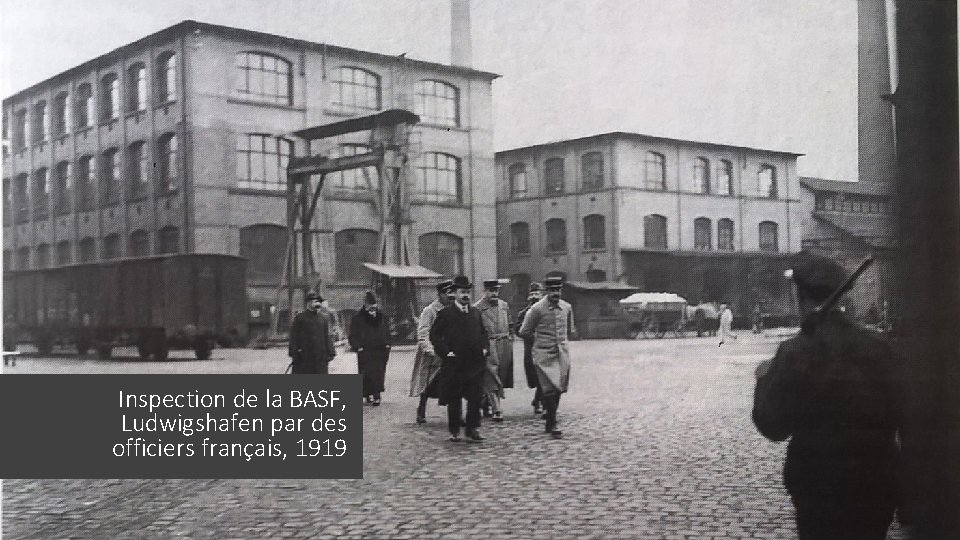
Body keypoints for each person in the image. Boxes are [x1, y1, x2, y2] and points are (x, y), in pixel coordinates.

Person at [752, 251, 904, 540]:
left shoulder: (795, 352)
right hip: (875, 486)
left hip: (818, 489)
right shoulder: (880, 347)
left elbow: (772, 426)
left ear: (801, 297)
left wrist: (763, 380)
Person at [430, 275, 489, 443]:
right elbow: (435, 335)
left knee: (475, 397)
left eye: (468, 293)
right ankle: (454, 430)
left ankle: (473, 429)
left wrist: (485, 349)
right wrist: (445, 352)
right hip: (455, 364)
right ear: (454, 293)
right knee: (454, 398)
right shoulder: (445, 314)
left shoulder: (475, 313)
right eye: (462, 292)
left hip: (475, 363)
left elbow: (484, 333)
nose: (466, 296)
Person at [518, 275, 575, 439]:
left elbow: (570, 330)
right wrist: (539, 341)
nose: (555, 293)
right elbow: (524, 331)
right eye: (552, 290)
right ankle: (553, 421)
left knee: (559, 388)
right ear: (547, 291)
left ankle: (550, 419)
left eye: (558, 289)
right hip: (543, 354)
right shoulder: (536, 309)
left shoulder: (566, 308)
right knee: (549, 388)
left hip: (562, 353)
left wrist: (563, 343)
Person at [410, 279, 454, 423]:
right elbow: (423, 333)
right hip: (431, 354)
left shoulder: (453, 310)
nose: (451, 296)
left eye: (453, 293)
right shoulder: (430, 311)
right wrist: (429, 349)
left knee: (450, 382)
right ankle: (421, 410)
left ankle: (454, 413)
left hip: (447, 352)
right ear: (440, 294)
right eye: (448, 293)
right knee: (427, 383)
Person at [475, 278, 513, 422]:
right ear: (484, 291)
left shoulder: (504, 306)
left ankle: (484, 403)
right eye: (491, 291)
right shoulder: (477, 308)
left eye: (496, 290)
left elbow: (510, 324)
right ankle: (497, 409)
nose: (494, 293)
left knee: (500, 376)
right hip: (488, 344)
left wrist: (510, 338)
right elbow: (476, 329)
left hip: (504, 344)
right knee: (491, 376)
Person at [348, 291, 391, 406]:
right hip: (365, 350)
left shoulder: (382, 316)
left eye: (374, 305)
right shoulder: (358, 317)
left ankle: (377, 394)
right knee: (366, 374)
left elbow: (387, 331)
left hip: (380, 350)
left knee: (378, 373)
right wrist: (358, 347)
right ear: (365, 305)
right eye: (370, 305)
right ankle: (368, 394)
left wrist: (387, 344)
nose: (373, 307)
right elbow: (352, 334)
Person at [288, 291, 337, 374]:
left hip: (320, 357)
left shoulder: (323, 318)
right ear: (309, 303)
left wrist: (331, 352)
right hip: (304, 356)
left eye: (319, 302)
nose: (318, 304)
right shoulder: (300, 318)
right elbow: (294, 336)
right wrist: (294, 352)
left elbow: (327, 336)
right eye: (315, 302)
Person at [516, 282, 545, 416]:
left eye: (537, 294)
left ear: (541, 294)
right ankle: (538, 400)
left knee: (545, 375)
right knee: (535, 376)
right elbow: (518, 330)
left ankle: (540, 401)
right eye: (532, 294)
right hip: (530, 348)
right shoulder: (523, 313)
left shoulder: (546, 311)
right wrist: (531, 335)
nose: (534, 296)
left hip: (545, 348)